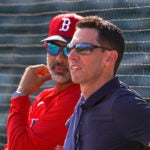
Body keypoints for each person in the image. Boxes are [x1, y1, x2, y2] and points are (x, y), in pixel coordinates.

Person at [64, 16, 150, 150]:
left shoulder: (123, 104)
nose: (71, 56)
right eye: (70, 48)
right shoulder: (84, 101)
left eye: (83, 48)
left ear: (110, 58)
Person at [4, 13, 83, 150]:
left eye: (68, 50)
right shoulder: (44, 96)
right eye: (52, 47)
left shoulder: (75, 98)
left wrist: (21, 94)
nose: (59, 58)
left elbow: (18, 147)